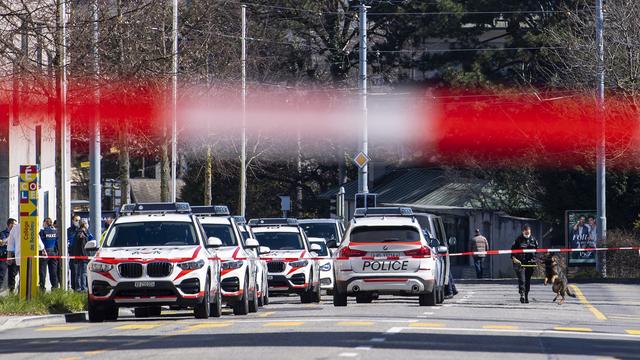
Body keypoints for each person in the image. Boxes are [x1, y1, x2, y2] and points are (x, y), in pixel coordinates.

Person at [6, 219, 46, 292]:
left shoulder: (15, 228)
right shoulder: (32, 226)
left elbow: (10, 243)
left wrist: (9, 256)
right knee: (29, 276)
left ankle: (21, 293)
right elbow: (38, 239)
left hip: (19, 256)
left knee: (22, 276)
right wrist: (43, 249)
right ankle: (25, 293)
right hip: (31, 256)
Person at [511, 224, 538, 304]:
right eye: (526, 233)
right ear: (523, 231)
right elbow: (512, 251)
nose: (527, 234)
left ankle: (526, 296)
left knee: (527, 280)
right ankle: (522, 294)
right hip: (520, 262)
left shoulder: (533, 240)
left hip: (530, 263)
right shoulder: (518, 240)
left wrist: (535, 259)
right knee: (522, 279)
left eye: (528, 233)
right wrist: (514, 258)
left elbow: (537, 250)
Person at [39, 217, 59, 290]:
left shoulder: (42, 232)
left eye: (43, 223)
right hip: (53, 253)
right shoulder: (55, 232)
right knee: (53, 272)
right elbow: (57, 243)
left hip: (44, 253)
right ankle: (55, 288)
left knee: (42, 272)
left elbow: (39, 242)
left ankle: (42, 288)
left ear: (45, 223)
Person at [70, 220, 90, 291]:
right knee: (83, 273)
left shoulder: (80, 231)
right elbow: (80, 238)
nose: (87, 225)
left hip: (79, 255)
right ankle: (83, 288)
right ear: (84, 224)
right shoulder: (81, 232)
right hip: (83, 255)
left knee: (78, 273)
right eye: (86, 223)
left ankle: (78, 288)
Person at [0, 219, 15, 292]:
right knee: (1, 275)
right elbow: (2, 243)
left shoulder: (16, 234)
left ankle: (11, 293)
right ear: (10, 224)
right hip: (4, 257)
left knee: (12, 275)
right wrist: (10, 237)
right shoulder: (3, 233)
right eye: (14, 224)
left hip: (13, 256)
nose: (15, 226)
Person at [67, 215, 81, 290]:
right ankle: (74, 288)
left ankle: (80, 288)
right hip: (72, 253)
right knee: (74, 271)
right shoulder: (69, 231)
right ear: (72, 220)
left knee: (81, 272)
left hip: (81, 253)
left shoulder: (81, 230)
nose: (78, 222)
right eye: (76, 220)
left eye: (79, 220)